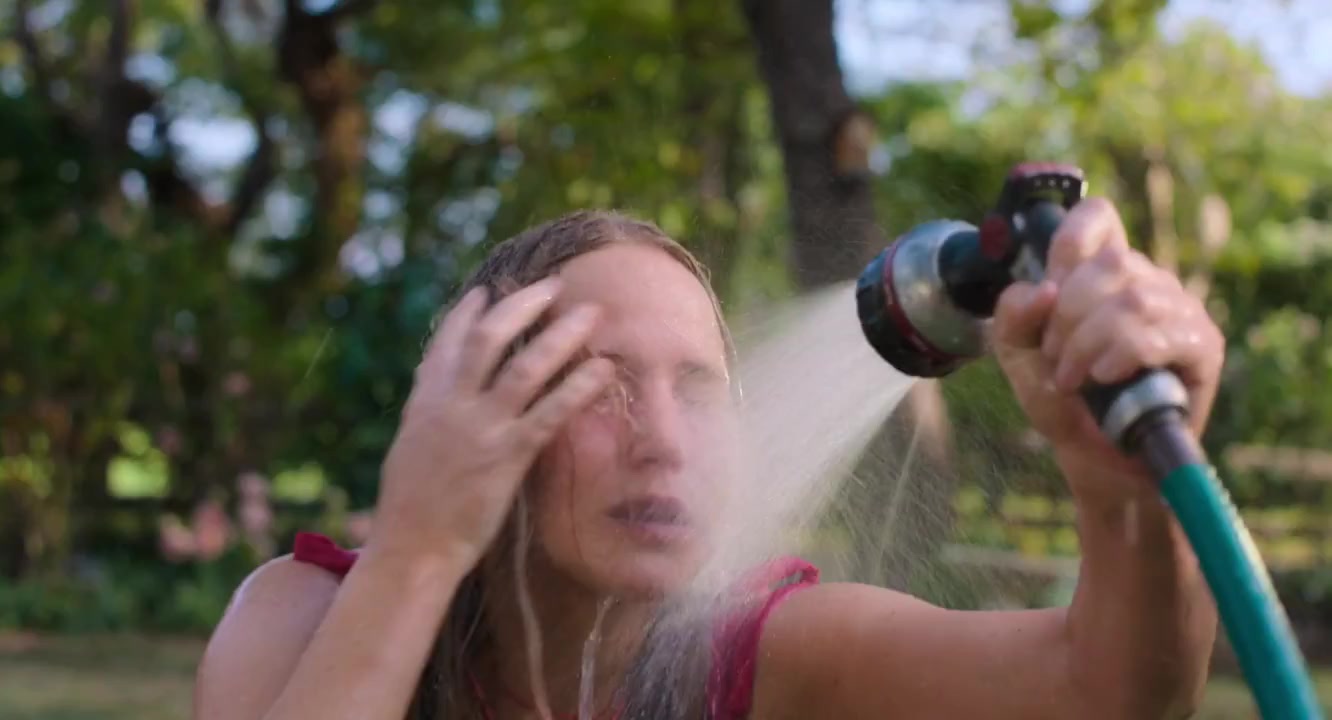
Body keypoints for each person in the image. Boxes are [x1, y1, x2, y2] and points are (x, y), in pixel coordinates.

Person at [195, 203, 1223, 720]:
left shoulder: (766, 654)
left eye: (696, 389)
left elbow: (1117, 693)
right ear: (471, 413)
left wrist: (1121, 486)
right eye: (597, 385)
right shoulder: (301, 618)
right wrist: (419, 546)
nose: (663, 439)